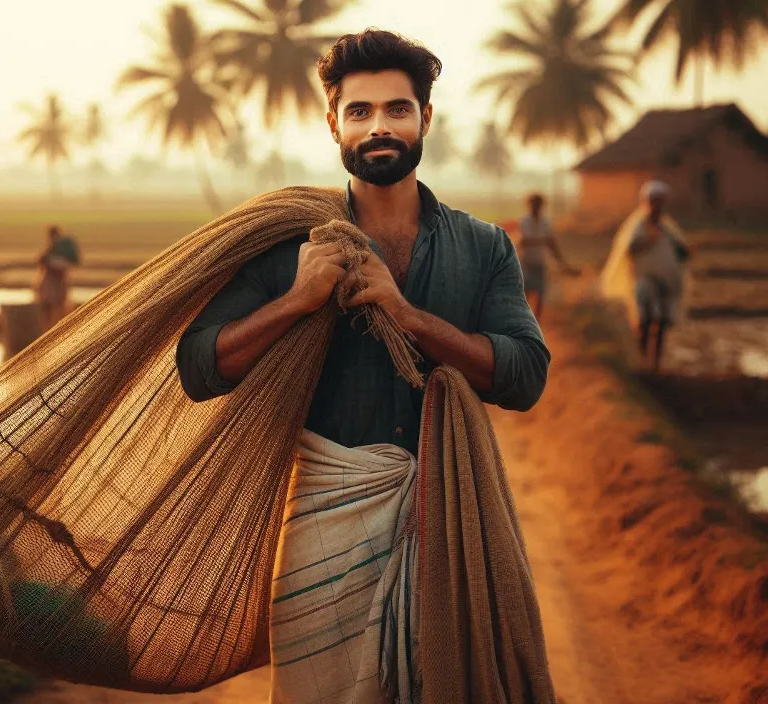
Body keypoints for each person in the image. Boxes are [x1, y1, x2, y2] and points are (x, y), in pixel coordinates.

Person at [177, 30, 552, 703]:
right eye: (360, 111)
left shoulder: (484, 247)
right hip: (323, 526)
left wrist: (411, 319)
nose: (379, 126)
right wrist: (295, 302)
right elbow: (201, 366)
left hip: (447, 530)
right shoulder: (288, 245)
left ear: (425, 119)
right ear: (333, 124)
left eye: (397, 109)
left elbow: (525, 374)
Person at [599, 180, 692, 372]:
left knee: (662, 324)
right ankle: (642, 362)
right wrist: (649, 241)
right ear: (647, 201)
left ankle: (655, 365)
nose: (657, 205)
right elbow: (629, 249)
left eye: (660, 201)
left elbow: (682, 252)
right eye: (654, 201)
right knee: (645, 321)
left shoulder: (667, 227)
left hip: (666, 284)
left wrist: (685, 250)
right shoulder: (639, 225)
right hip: (644, 282)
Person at [517, 192, 578, 318]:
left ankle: (535, 325)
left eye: (537, 205)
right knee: (526, 297)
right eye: (533, 205)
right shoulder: (524, 222)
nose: (535, 208)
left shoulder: (546, 223)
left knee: (540, 296)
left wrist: (561, 261)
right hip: (526, 264)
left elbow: (551, 243)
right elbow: (523, 242)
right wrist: (541, 241)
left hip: (539, 263)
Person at [34, 225, 80, 328]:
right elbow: (41, 262)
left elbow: (70, 262)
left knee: (59, 307)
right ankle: (49, 331)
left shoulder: (62, 248)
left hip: (57, 282)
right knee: (47, 307)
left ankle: (57, 330)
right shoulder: (51, 249)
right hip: (50, 283)